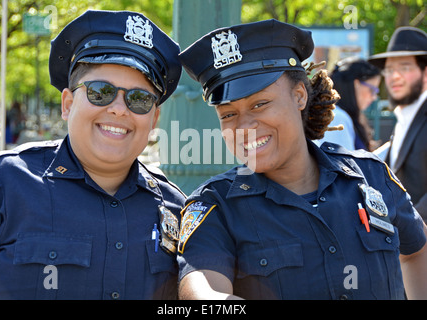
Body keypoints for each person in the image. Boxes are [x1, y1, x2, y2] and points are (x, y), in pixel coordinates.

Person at [176, 19, 427, 300]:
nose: (244, 125)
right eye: (228, 115)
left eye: (260, 104)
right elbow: (202, 291)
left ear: (299, 95)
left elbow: (417, 252)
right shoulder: (216, 206)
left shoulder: (372, 176)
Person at [0, 10, 185, 299]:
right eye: (101, 92)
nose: (119, 109)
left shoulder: (175, 208)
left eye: (139, 99)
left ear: (154, 118)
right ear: (67, 103)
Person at [369, 26, 427, 222]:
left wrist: (410, 230)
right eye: (389, 69)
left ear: (425, 73)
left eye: (404, 67)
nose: (394, 76)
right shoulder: (404, 116)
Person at [314, 57, 381, 151]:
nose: (374, 97)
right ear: (356, 84)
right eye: (372, 90)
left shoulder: (338, 115)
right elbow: (344, 163)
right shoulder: (337, 117)